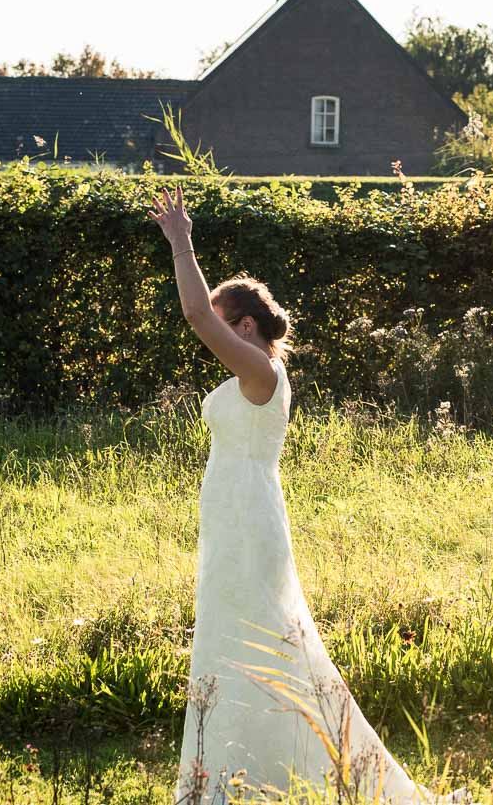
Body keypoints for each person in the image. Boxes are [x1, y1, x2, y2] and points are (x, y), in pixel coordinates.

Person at [151, 189, 463, 804]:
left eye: (223, 320)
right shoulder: (251, 375)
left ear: (244, 326)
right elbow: (201, 318)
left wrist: (181, 242)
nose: (211, 329)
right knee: (231, 642)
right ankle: (237, 778)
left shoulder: (262, 374)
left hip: (249, 524)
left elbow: (194, 314)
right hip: (234, 520)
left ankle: (249, 781)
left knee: (263, 646)